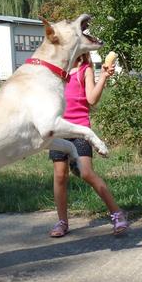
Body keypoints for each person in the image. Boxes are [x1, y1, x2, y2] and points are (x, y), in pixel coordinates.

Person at [48, 53, 128, 237]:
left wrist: (104, 76)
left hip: (80, 130)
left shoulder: (85, 70)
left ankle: (117, 214)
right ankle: (62, 222)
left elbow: (91, 99)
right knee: (59, 176)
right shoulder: (57, 70)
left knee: (86, 173)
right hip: (59, 129)